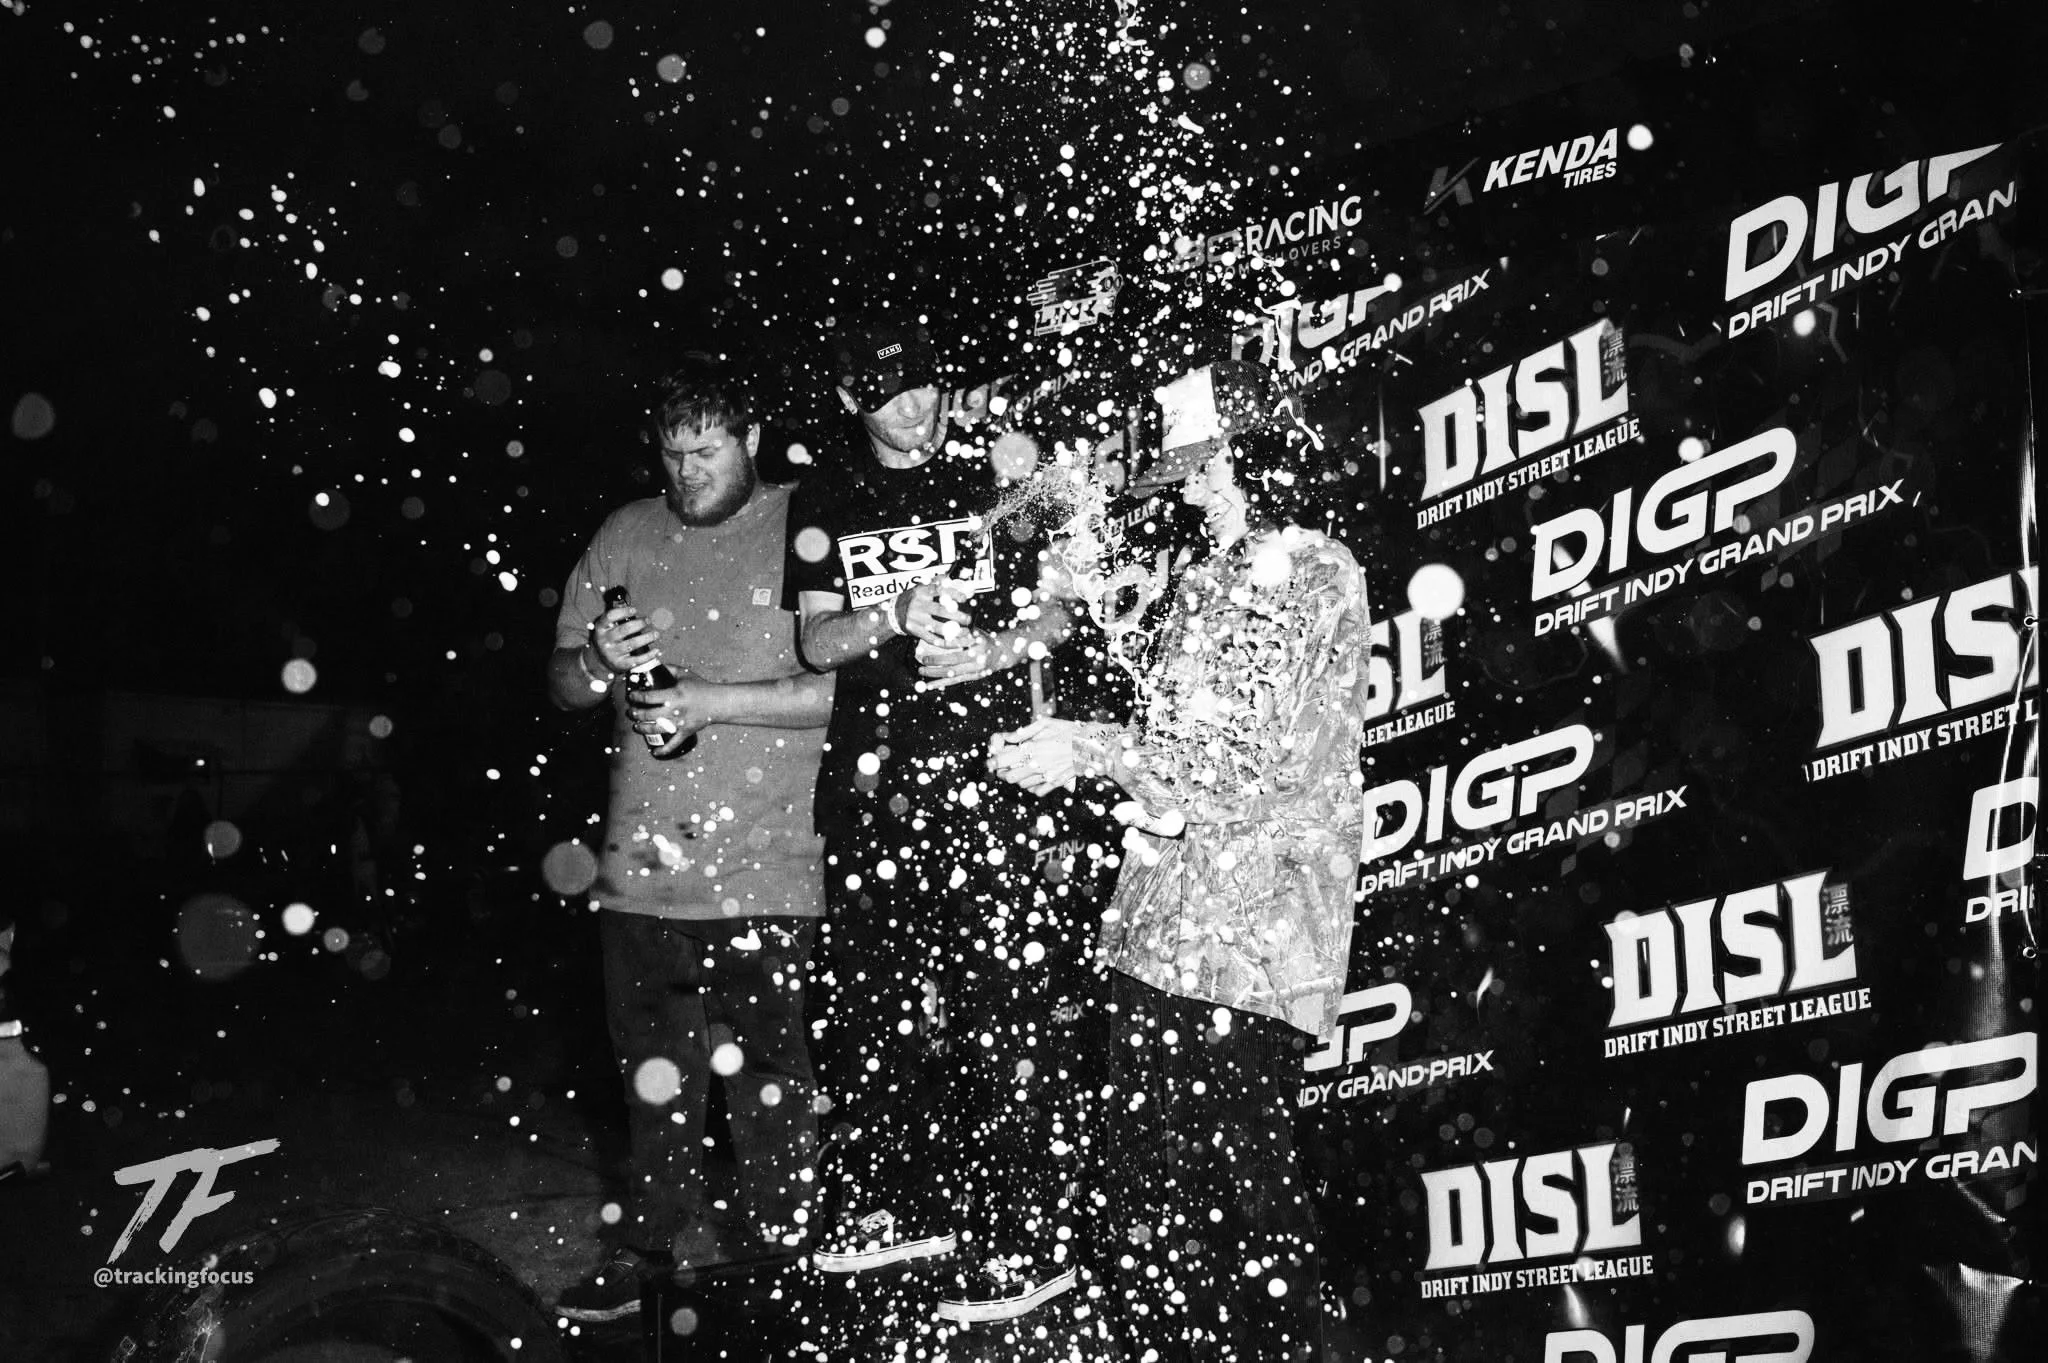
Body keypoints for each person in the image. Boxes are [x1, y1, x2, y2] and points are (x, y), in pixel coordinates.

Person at [988, 361, 1371, 1362]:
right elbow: (1174, 742)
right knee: (1150, 1225)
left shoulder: (1310, 571)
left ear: (1267, 452)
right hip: (1158, 930)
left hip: (1248, 937)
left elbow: (1241, 768)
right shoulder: (1202, 577)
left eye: (1212, 459)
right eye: (1185, 461)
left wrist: (1088, 747)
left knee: (1247, 1220)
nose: (1192, 480)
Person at [782, 314, 1093, 1325]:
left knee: (999, 1006)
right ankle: (895, 1204)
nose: (913, 406)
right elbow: (818, 644)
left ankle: (1024, 1237)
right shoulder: (826, 497)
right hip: (872, 788)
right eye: (887, 393)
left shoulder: (996, 471)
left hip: (990, 778)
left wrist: (995, 652)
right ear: (846, 403)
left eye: (923, 384)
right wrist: (896, 614)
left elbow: (1064, 610)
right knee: (868, 1006)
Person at [547, 364, 835, 1324]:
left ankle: (784, 1265)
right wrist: (596, 660)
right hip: (642, 869)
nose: (686, 473)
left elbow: (846, 692)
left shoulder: (807, 522)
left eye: (706, 451)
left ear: (751, 435)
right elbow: (561, 687)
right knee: (651, 1087)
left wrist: (710, 698)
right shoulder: (625, 533)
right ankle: (644, 1254)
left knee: (769, 1088)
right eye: (671, 454)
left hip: (767, 861)